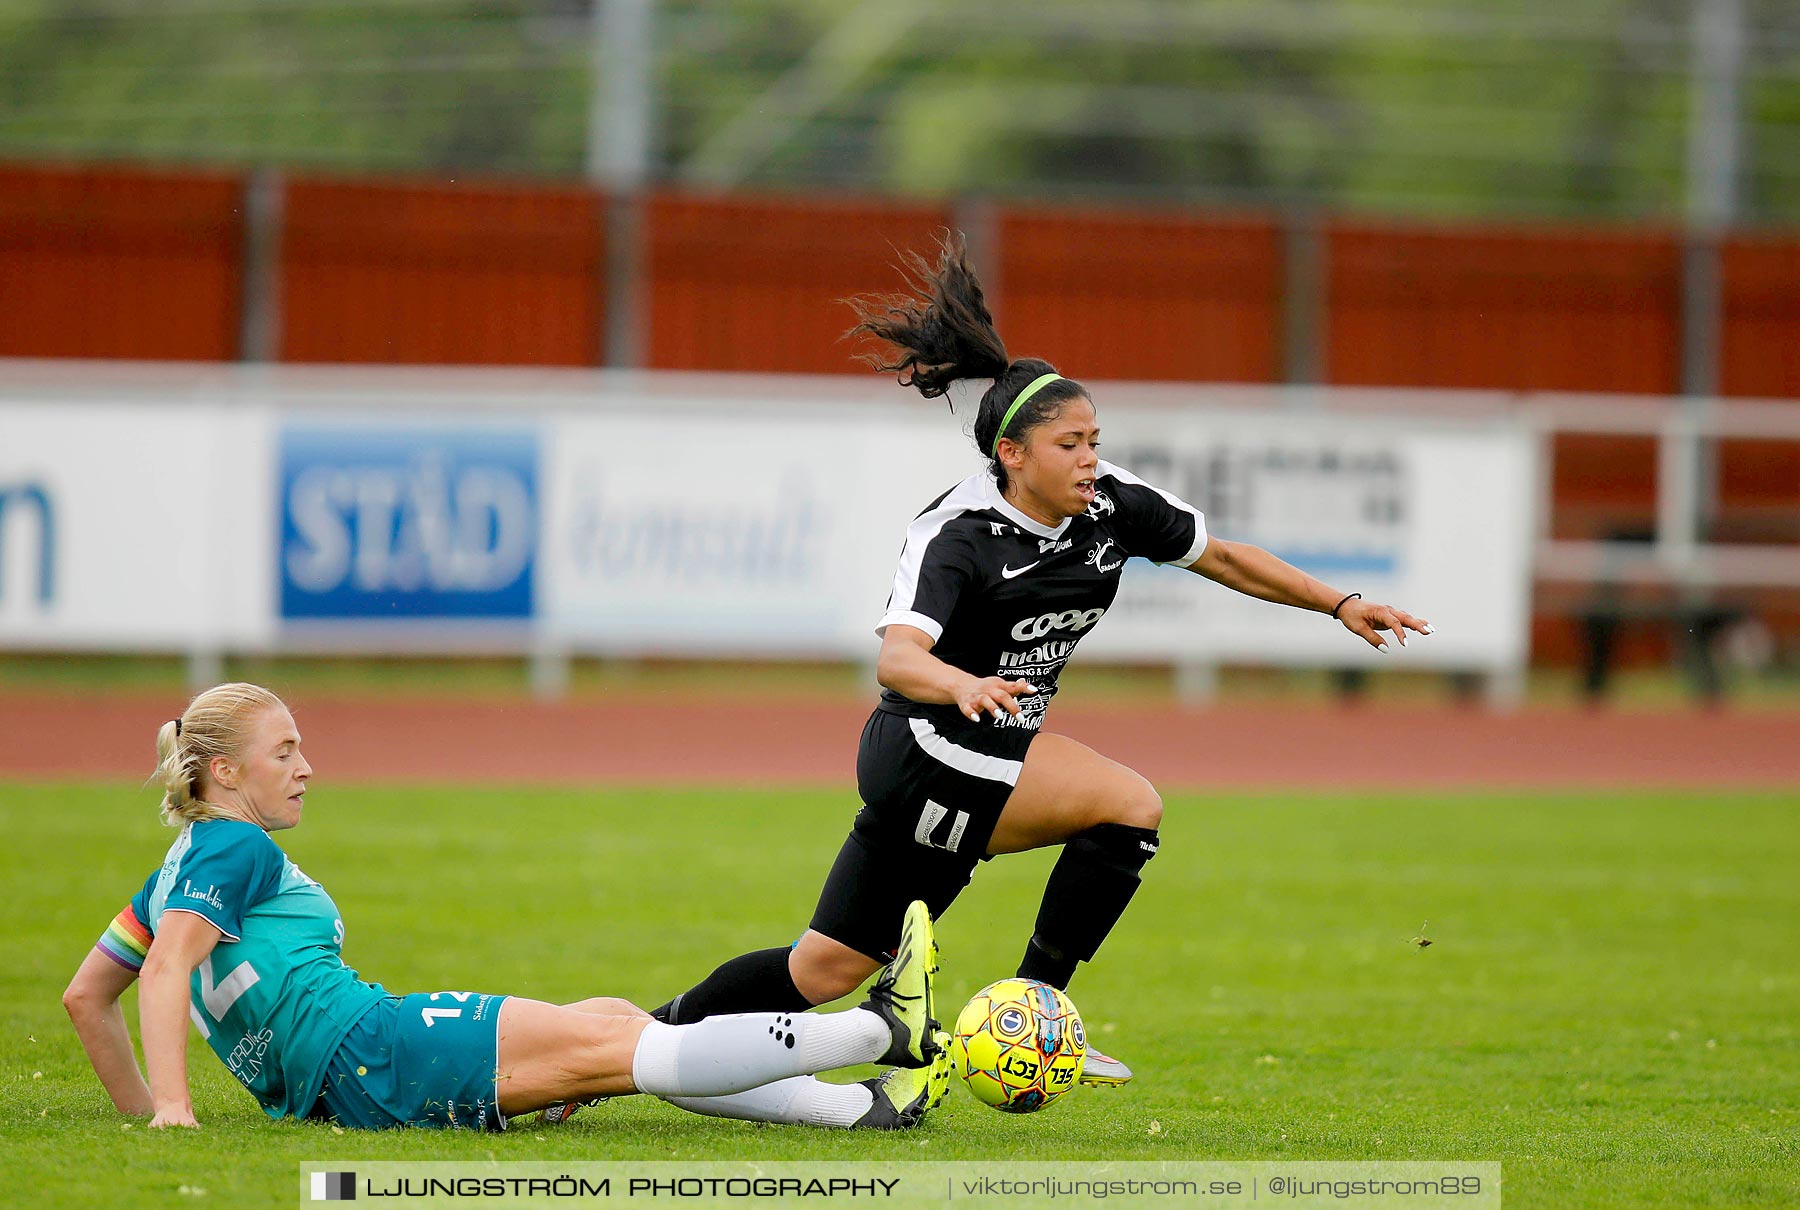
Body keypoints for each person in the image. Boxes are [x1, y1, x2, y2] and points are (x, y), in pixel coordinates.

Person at [650, 232, 1432, 1086]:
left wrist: (1341, 603)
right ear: (1011, 456)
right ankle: (1039, 1010)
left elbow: (1224, 556)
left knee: (818, 971)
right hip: (930, 752)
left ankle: (640, 1042)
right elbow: (898, 661)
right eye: (1071, 444)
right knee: (1130, 806)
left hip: (982, 755)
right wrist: (965, 683)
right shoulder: (958, 535)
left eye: (1095, 438)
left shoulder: (1112, 505)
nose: (1091, 458)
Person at [63, 682, 948, 1132]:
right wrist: (173, 1110)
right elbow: (170, 969)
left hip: (342, 1087)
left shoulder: (172, 868)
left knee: (609, 1027)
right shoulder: (236, 843)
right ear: (224, 772)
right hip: (375, 1049)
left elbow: (84, 997)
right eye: (285, 750)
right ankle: (881, 1033)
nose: (306, 766)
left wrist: (142, 1112)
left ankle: (854, 1110)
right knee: (624, 1045)